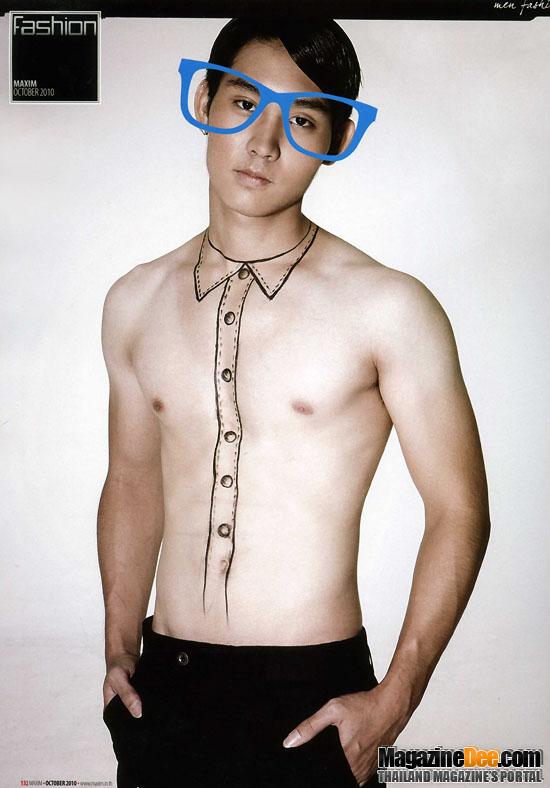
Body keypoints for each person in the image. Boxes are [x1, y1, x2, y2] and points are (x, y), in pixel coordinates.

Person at [97, 17, 490, 788]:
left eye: (302, 120)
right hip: (163, 691)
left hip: (311, 695)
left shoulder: (389, 307)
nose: (264, 143)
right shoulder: (134, 301)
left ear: (338, 139)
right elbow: (134, 481)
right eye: (244, 103)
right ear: (205, 101)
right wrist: (118, 647)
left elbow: (460, 509)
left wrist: (395, 700)